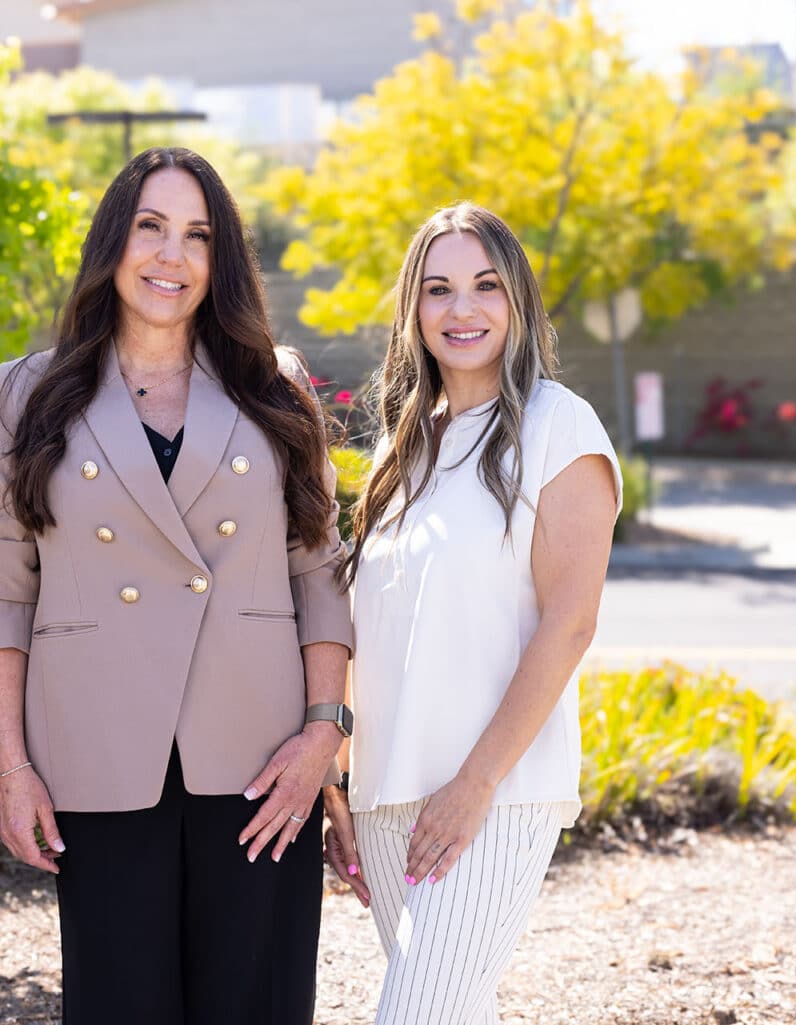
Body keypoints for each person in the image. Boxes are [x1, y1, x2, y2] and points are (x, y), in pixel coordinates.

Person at [0, 147, 354, 1025]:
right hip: (98, 756)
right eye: (150, 227)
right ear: (112, 241)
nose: (171, 256)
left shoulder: (273, 386)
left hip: (261, 764)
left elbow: (318, 569)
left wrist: (322, 737)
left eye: (198, 236)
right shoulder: (32, 392)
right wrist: (10, 764)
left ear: (222, 261)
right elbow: (1, 589)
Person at [323, 203, 621, 1024]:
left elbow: (571, 622)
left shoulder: (558, 424)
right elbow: (369, 630)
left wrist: (475, 783)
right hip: (388, 798)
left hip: (495, 792)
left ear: (517, 299)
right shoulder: (405, 448)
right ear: (413, 310)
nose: (463, 309)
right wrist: (340, 779)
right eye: (439, 289)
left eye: (486, 286)